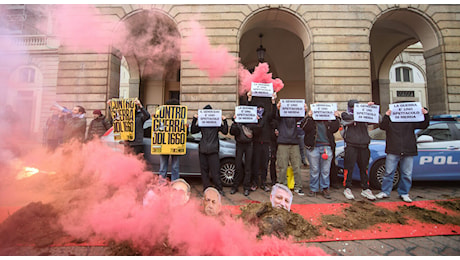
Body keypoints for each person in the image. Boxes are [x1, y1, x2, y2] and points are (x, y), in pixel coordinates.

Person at [375, 105, 429, 203]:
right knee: (389, 172)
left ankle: (404, 193)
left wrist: (426, 115)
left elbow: (424, 125)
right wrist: (387, 115)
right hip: (393, 149)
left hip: (408, 150)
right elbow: (382, 126)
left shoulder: (411, 121)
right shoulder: (390, 120)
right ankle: (385, 192)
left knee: (407, 174)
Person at [341, 100, 378, 200]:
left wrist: (371, 109)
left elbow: (378, 119)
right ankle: (347, 187)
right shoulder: (345, 114)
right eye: (352, 107)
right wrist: (359, 114)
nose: (354, 108)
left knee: (364, 168)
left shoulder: (365, 114)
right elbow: (346, 120)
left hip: (364, 145)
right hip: (351, 145)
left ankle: (365, 188)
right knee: (349, 167)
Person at [302, 108, 340, 199]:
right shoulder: (311, 120)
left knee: (325, 170)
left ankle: (325, 188)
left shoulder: (329, 120)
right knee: (314, 169)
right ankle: (313, 189)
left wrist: (337, 118)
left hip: (326, 148)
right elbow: (304, 127)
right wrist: (308, 117)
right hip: (313, 148)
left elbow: (335, 129)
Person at [190, 104, 228, 195]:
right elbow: (193, 130)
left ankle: (216, 188)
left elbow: (225, 131)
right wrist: (195, 119)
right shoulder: (203, 123)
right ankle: (210, 188)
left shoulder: (216, 123)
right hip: (206, 150)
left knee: (212, 171)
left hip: (210, 150)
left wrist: (224, 121)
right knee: (206, 171)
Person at [275, 100, 306, 196]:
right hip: (282, 143)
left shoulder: (295, 116)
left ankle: (298, 187)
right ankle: (282, 187)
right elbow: (275, 117)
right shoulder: (280, 116)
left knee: (296, 166)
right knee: (282, 167)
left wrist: (304, 110)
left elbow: (301, 117)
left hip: (294, 143)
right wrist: (277, 108)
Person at [249, 92, 277, 193]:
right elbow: (247, 112)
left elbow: (274, 114)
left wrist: (273, 102)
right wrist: (250, 99)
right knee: (255, 164)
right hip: (256, 143)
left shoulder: (267, 117)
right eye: (258, 108)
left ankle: (264, 183)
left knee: (265, 164)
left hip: (265, 143)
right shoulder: (253, 118)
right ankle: (255, 182)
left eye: (262, 108)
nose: (260, 110)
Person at [158, 99, 184, 182]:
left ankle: (174, 184)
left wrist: (184, 128)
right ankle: (162, 185)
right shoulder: (161, 118)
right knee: (164, 167)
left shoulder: (181, 119)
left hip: (175, 145)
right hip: (164, 145)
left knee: (174, 167)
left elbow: (183, 135)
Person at [229, 115, 255, 196]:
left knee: (248, 167)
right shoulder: (238, 123)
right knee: (238, 166)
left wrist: (256, 120)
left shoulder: (252, 122)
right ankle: (235, 186)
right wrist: (235, 123)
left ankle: (246, 187)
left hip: (249, 145)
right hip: (240, 144)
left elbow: (257, 130)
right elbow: (232, 132)